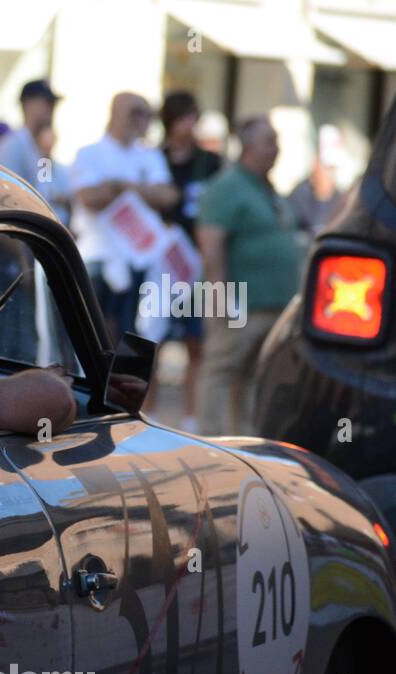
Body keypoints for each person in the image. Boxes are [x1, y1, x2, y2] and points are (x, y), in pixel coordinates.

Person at [195, 115, 303, 435]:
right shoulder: (227, 186)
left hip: (272, 305)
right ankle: (209, 441)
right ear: (250, 147)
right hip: (241, 303)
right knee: (221, 371)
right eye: (270, 142)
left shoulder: (266, 188)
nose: (276, 149)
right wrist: (220, 296)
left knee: (254, 377)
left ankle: (243, 441)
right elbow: (211, 244)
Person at [70, 93, 179, 343]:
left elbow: (168, 196)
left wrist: (119, 187)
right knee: (93, 335)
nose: (141, 120)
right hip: (96, 256)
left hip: (138, 259)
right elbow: (89, 198)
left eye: (146, 114)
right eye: (135, 112)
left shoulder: (150, 156)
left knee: (131, 336)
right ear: (115, 114)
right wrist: (140, 191)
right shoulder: (89, 153)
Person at [158, 91, 222, 431]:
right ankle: (149, 412)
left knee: (196, 341)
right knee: (151, 338)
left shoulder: (210, 162)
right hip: (161, 262)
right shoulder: (156, 159)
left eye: (193, 119)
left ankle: (191, 416)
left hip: (196, 263)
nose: (190, 126)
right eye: (185, 118)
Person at [0, 79, 61, 188]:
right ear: (28, 103)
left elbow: (46, 187)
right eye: (47, 103)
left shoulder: (40, 146)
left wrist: (46, 156)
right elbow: (7, 191)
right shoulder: (11, 145)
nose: (52, 109)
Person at [289, 124, 346, 236]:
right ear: (315, 162)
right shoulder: (300, 194)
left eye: (333, 169)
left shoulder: (339, 198)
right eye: (327, 167)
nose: (330, 174)